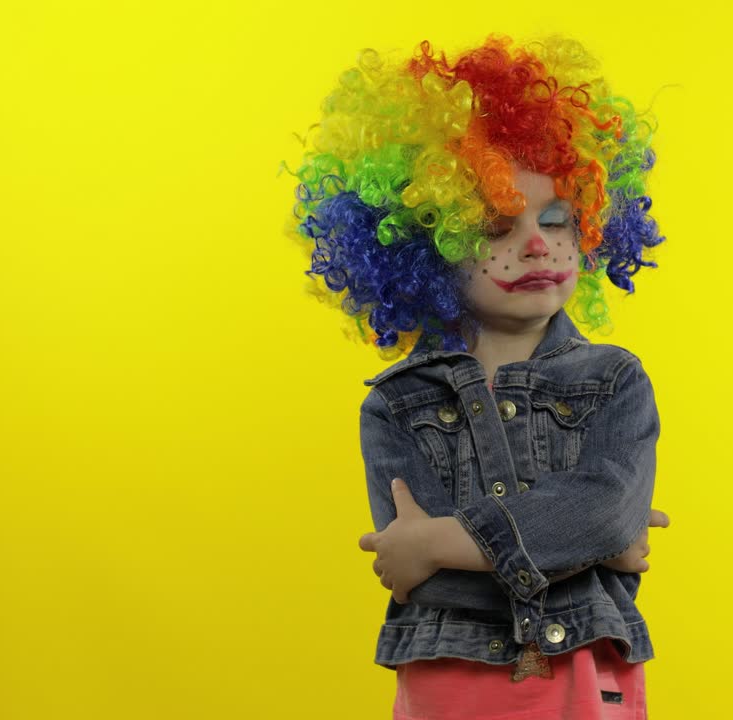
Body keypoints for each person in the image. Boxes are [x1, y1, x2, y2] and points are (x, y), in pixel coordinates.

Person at [284, 32, 669, 719]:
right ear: (427, 246)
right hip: (450, 681)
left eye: (557, 220)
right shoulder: (399, 403)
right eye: (496, 226)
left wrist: (435, 542)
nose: (537, 244)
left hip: (583, 675)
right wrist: (590, 550)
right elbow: (433, 590)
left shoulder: (613, 380)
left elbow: (603, 511)